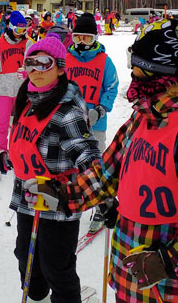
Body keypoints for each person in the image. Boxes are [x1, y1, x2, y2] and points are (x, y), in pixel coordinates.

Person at [24, 18, 178, 303]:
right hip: (131, 281)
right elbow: (106, 173)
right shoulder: (142, 117)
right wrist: (64, 194)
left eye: (138, 67)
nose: (133, 75)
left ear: (159, 71)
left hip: (177, 290)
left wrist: (168, 260)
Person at [0, 33, 102, 303]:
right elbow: (26, 150)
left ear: (60, 67)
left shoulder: (67, 110)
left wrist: (101, 192)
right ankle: (37, 295)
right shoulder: (28, 100)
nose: (35, 70)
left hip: (58, 199)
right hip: (27, 197)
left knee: (56, 264)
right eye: (30, 62)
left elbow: (87, 154)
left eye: (44, 63)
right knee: (26, 258)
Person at [65, 13, 120, 233]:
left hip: (95, 122)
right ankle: (71, 199)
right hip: (69, 120)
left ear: (94, 38)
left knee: (96, 165)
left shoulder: (104, 61)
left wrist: (101, 108)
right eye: (77, 37)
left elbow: (112, 87)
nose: (81, 42)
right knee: (69, 162)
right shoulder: (67, 58)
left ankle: (102, 205)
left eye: (86, 38)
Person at [0, 11, 34, 180]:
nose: (21, 33)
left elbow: (33, 63)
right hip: (4, 88)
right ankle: (0, 153)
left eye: (23, 30)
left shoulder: (28, 43)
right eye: (18, 30)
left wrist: (27, 73)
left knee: (22, 122)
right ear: (10, 27)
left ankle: (20, 152)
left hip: (22, 89)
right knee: (2, 122)